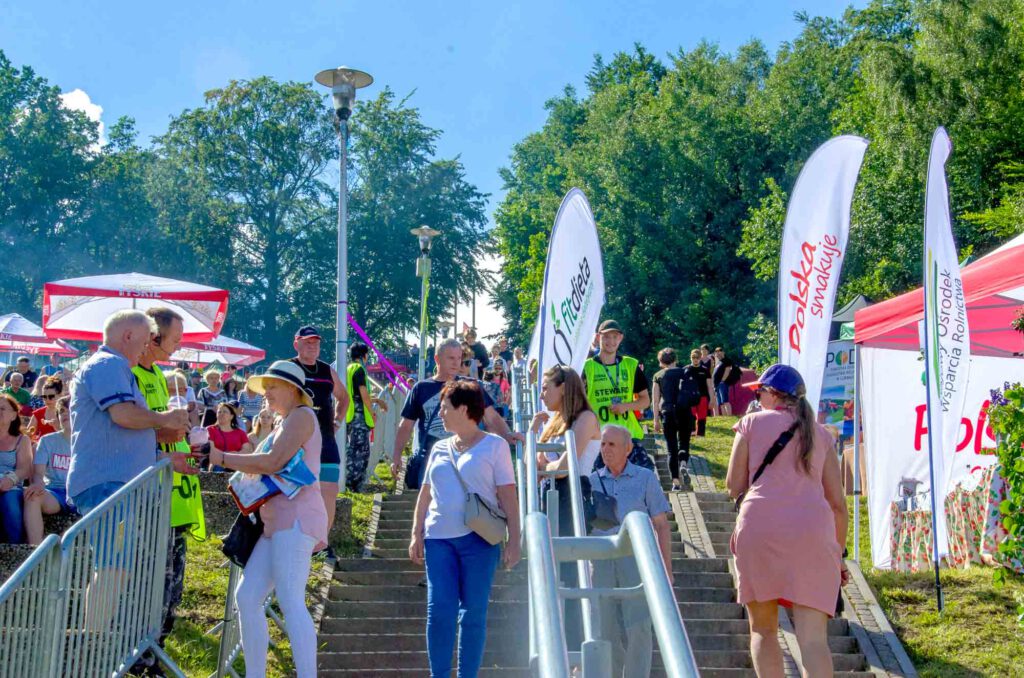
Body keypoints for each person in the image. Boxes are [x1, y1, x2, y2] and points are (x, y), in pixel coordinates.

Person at [726, 364, 849, 678]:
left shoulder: (750, 423)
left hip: (760, 527)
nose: (757, 399)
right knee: (814, 640)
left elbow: (733, 485)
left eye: (759, 392)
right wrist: (838, 556)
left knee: (763, 630)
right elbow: (838, 505)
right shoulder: (822, 435)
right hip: (814, 533)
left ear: (773, 394)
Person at [208, 360, 326, 678]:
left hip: (297, 520)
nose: (266, 393)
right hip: (277, 523)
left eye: (272, 386)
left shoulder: (302, 416)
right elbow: (259, 460)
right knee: (247, 597)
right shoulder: (286, 420)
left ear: (292, 389)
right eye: (266, 387)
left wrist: (221, 457)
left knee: (290, 599)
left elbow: (272, 462)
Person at [408, 380, 521, 678]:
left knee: (473, 613)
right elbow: (425, 493)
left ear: (463, 409)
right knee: (439, 610)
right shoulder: (438, 447)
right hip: (438, 539)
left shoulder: (495, 446)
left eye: (444, 407)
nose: (440, 414)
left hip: (480, 540)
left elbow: (508, 495)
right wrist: (416, 532)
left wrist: (515, 540)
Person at [131, 307, 207, 672]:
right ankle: (141, 658)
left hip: (175, 496)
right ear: (153, 337)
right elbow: (132, 434)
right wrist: (166, 439)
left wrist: (182, 434)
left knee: (171, 591)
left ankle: (155, 653)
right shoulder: (129, 374)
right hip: (149, 498)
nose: (178, 347)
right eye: (175, 340)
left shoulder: (158, 376)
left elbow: (160, 429)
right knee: (151, 587)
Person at [67, 310, 191, 515]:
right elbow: (124, 415)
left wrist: (164, 457)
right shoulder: (108, 363)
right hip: (108, 485)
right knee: (111, 538)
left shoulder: (115, 366)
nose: (146, 348)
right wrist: (166, 418)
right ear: (128, 336)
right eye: (145, 342)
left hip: (115, 484)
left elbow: (121, 435)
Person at [588, 425, 673, 678]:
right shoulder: (592, 481)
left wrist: (666, 569)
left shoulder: (645, 478)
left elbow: (661, 525)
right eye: (603, 444)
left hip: (636, 559)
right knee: (604, 626)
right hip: (601, 558)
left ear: (628, 448)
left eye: (612, 444)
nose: (605, 449)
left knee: (639, 626)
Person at [530, 364, 601, 648]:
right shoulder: (553, 421)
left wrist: (544, 464)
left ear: (563, 388)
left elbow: (563, 468)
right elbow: (534, 466)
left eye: (546, 388)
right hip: (550, 495)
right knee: (551, 573)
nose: (542, 394)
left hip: (573, 495)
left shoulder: (586, 418)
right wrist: (534, 434)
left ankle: (575, 646)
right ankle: (555, 643)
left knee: (571, 573)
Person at [390, 339, 522, 489]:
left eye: (459, 358)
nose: (456, 363)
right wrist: (396, 456)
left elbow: (491, 417)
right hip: (431, 458)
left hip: (466, 455)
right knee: (431, 500)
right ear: (437, 359)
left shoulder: (471, 387)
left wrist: (508, 435)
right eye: (451, 358)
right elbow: (406, 426)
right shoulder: (421, 388)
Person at [290, 325, 350, 550]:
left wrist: (338, 421)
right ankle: (296, 540)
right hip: (295, 441)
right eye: (307, 342)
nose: (312, 346)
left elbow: (344, 397)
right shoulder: (289, 367)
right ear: (296, 343)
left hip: (325, 440)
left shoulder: (326, 370)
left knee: (329, 491)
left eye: (316, 343)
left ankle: (321, 544)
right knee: (295, 490)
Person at [581, 320, 653, 470]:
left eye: (615, 337)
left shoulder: (631, 365)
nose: (611, 341)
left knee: (645, 477)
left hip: (629, 437)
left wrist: (625, 406)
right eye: (606, 337)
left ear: (621, 338)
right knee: (602, 483)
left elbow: (645, 400)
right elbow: (578, 403)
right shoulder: (587, 367)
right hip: (600, 439)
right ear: (598, 337)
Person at [24, 395, 75, 545]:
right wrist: (38, 483)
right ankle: (36, 550)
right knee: (32, 496)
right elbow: (38, 473)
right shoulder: (47, 440)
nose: (64, 414)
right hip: (56, 491)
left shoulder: (90, 442)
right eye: (61, 411)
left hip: (81, 493)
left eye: (69, 410)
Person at [346, 343, 387, 492]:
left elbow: (355, 394)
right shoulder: (359, 370)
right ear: (364, 355)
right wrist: (372, 413)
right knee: (361, 452)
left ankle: (349, 482)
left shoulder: (348, 369)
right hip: (359, 416)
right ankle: (355, 485)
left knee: (352, 450)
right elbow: (363, 395)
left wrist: (376, 400)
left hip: (350, 415)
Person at [651, 349, 694, 491]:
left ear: (661, 361)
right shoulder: (685, 372)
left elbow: (655, 400)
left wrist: (656, 420)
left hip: (668, 413)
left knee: (671, 448)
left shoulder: (658, 375)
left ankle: (676, 482)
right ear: (675, 359)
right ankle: (683, 463)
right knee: (684, 442)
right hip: (685, 412)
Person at [0, 393, 32, 543]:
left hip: (11, 485)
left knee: (10, 501)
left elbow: (25, 469)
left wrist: (10, 479)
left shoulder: (22, 440)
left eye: (2, 408)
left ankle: (16, 548)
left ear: (13, 415)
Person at [30, 376, 63, 441]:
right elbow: (28, 434)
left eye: (51, 396)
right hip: (42, 446)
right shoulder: (38, 414)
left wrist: (58, 428)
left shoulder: (66, 412)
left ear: (60, 395)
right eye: (44, 397)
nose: (47, 400)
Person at [712, 347, 740, 417]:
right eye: (716, 352)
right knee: (720, 403)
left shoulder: (727, 360)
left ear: (723, 352)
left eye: (719, 351)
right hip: (717, 384)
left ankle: (729, 415)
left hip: (722, 384)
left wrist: (722, 380)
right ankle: (725, 417)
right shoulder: (719, 362)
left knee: (725, 401)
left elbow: (727, 371)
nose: (718, 353)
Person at [695, 345, 715, 434]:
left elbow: (711, 371)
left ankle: (706, 416)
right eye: (702, 349)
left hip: (706, 379)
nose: (703, 351)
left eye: (705, 349)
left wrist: (710, 379)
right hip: (698, 383)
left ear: (707, 351)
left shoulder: (710, 360)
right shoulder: (698, 359)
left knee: (706, 398)